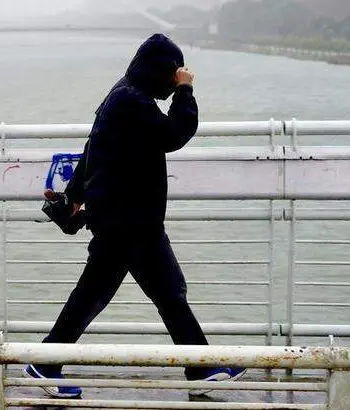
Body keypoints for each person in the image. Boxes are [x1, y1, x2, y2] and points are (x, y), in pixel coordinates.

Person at [25, 33, 246, 398]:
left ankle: (201, 367)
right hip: (127, 221)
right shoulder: (132, 101)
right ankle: (46, 361)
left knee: (164, 293)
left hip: (130, 218)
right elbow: (175, 134)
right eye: (171, 74)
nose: (173, 81)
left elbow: (94, 147)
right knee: (107, 294)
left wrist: (76, 196)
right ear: (160, 72)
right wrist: (186, 90)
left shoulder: (123, 93)